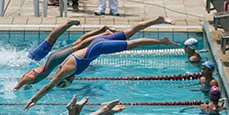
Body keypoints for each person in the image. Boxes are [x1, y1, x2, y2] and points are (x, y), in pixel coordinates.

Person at [24, 21, 178, 108]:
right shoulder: (65, 68)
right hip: (97, 43)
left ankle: (161, 41)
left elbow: (48, 86)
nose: (72, 81)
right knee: (129, 32)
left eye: (67, 83)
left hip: (99, 47)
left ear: (65, 79)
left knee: (132, 44)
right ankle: (157, 20)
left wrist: (34, 99)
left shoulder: (64, 72)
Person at [15, 16, 170, 91]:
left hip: (56, 59)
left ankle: (160, 37)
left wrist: (17, 88)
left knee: (73, 43)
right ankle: (156, 20)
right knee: (81, 43)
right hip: (88, 45)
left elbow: (35, 79)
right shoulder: (61, 68)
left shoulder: (55, 71)